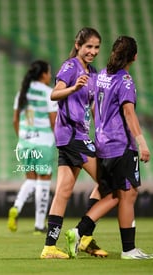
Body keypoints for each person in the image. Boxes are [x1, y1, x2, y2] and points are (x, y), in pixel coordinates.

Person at [65, 36, 152, 259]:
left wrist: (101, 131)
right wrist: (142, 143)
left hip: (103, 143)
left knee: (113, 192)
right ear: (134, 56)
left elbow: (94, 106)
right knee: (126, 195)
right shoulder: (125, 80)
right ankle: (124, 248)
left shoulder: (102, 75)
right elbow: (129, 113)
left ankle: (82, 233)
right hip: (121, 144)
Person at [40, 27, 111, 259]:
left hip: (78, 134)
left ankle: (49, 247)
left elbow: (91, 107)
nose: (92, 51)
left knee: (63, 191)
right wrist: (74, 87)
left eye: (96, 47)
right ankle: (84, 235)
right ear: (78, 45)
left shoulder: (93, 72)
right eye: (88, 46)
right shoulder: (71, 66)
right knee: (109, 182)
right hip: (72, 136)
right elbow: (54, 94)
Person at [7, 60, 57, 234]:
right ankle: (39, 224)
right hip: (43, 142)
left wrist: (23, 139)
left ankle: (17, 206)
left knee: (30, 180)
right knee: (43, 183)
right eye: (49, 72)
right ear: (43, 74)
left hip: (25, 143)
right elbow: (53, 121)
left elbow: (16, 120)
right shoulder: (48, 93)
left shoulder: (22, 93)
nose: (50, 76)